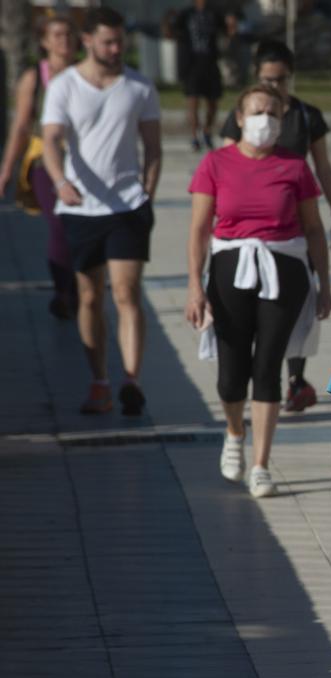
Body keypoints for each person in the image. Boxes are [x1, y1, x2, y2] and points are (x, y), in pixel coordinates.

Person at [185, 85, 331, 498]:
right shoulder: (215, 163)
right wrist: (194, 286)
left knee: (267, 367)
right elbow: (199, 229)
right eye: (256, 111)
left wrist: (324, 284)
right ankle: (235, 432)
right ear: (239, 117)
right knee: (232, 374)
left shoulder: (295, 166)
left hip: (284, 268)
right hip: (230, 268)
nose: (264, 118)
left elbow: (314, 228)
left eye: (272, 112)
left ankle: (261, 464)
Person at [41, 6, 163, 417]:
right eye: (108, 42)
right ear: (88, 40)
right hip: (79, 208)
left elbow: (153, 147)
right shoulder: (64, 86)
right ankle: (100, 382)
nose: (116, 49)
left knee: (127, 293)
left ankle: (132, 379)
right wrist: (61, 182)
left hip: (127, 206)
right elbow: (52, 139)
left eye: (120, 42)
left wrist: (147, 192)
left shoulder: (140, 87)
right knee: (89, 296)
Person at [220, 40, 331, 413]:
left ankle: (294, 378)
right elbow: (229, 164)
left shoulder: (307, 116)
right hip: (250, 232)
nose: (273, 86)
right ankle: (254, 378)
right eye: (266, 78)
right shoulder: (244, 114)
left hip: (297, 228)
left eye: (280, 79)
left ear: (291, 77)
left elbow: (322, 167)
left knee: (298, 300)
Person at [0, 15, 79, 320]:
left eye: (69, 34)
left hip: (84, 162)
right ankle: (63, 292)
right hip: (43, 161)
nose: (64, 40)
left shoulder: (88, 74)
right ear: (44, 42)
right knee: (59, 224)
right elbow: (20, 126)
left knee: (80, 227)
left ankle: (79, 286)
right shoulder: (35, 77)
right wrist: (6, 169)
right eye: (57, 35)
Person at [174, 0, 228, 152]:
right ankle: (194, 135)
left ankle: (207, 131)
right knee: (193, 100)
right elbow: (173, 32)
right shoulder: (186, 14)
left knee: (213, 101)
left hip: (210, 62)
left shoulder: (215, 13)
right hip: (192, 63)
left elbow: (225, 32)